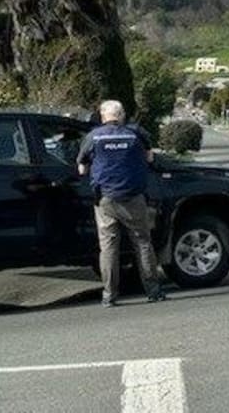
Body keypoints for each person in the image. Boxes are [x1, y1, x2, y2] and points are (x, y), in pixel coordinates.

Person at [77, 100, 166, 307]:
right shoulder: (136, 134)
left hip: (105, 199)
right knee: (143, 243)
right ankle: (153, 291)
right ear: (122, 115)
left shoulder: (93, 137)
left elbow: (81, 169)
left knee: (108, 248)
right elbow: (150, 158)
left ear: (102, 116)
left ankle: (109, 295)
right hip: (134, 197)